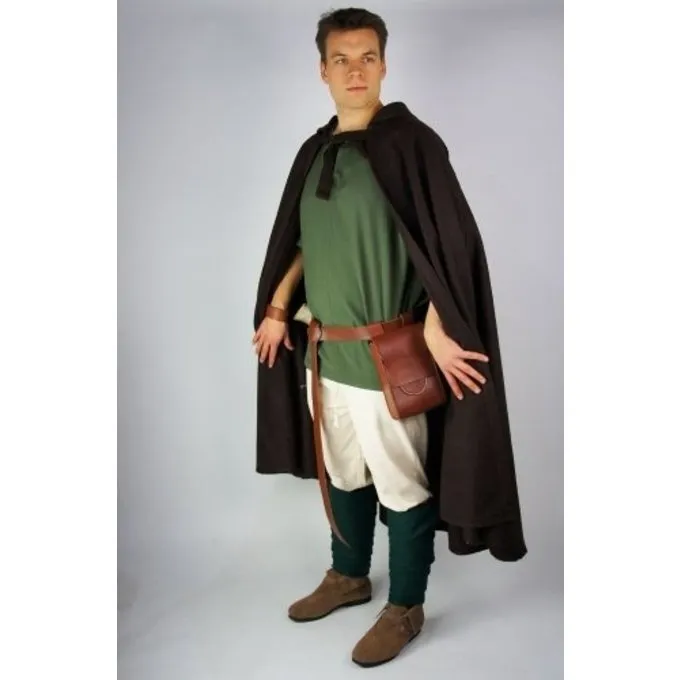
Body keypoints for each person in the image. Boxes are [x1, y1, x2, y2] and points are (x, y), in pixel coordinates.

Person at [252, 7, 527, 668]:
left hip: (386, 360)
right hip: (325, 354)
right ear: (322, 70)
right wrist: (278, 306)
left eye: (367, 57)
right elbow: (302, 244)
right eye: (341, 59)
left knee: (401, 485)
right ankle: (349, 575)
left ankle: (405, 606)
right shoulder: (315, 151)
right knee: (344, 473)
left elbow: (445, 247)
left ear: (384, 64)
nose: (355, 71)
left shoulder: (412, 145)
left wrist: (438, 323)